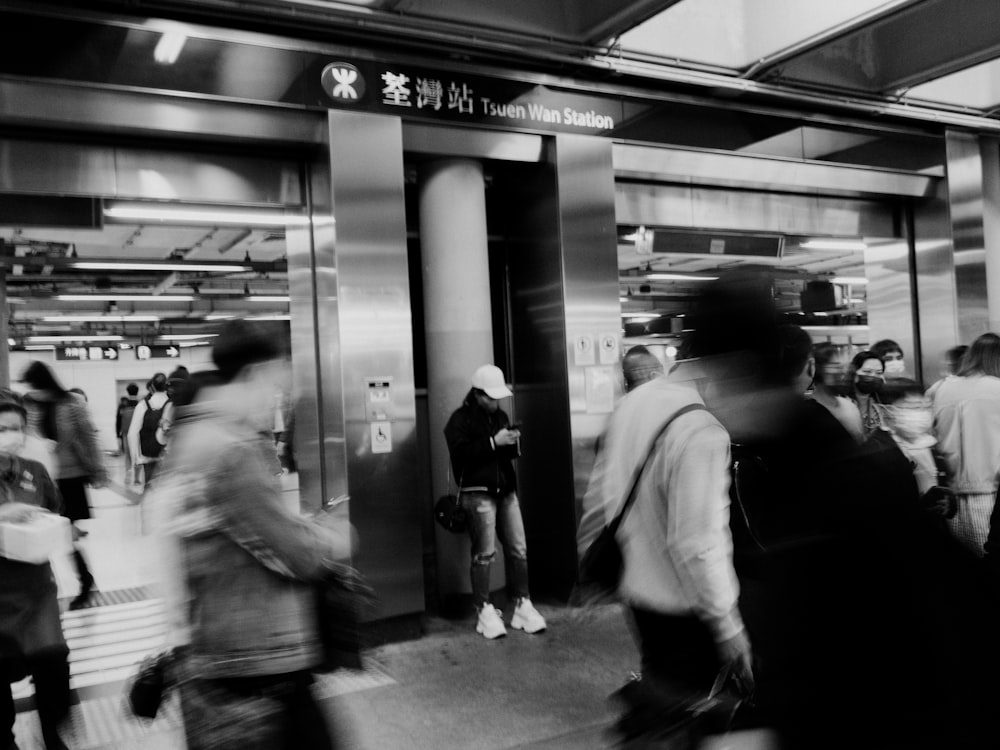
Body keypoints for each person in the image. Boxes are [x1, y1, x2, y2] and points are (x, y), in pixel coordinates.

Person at [152, 321, 353, 750]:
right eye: (274, 388)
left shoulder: (190, 444)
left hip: (219, 652)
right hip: (259, 663)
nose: (274, 403)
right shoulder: (233, 452)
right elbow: (298, 555)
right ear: (253, 374)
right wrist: (335, 537)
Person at [590, 349, 753, 744]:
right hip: (686, 607)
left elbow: (600, 495)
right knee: (691, 715)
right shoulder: (703, 429)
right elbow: (697, 543)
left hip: (637, 591)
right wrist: (728, 625)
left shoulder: (633, 403)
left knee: (661, 701)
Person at [444, 364, 546, 639]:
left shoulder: (500, 416)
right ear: (477, 394)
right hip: (477, 493)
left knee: (518, 549)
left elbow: (505, 456)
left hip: (506, 491)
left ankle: (523, 604)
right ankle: (484, 609)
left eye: (497, 396)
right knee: (484, 553)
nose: (495, 402)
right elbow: (461, 454)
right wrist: (493, 442)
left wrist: (512, 442)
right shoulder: (459, 420)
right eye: (490, 397)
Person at [0, 397, 72, 750]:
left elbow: (53, 510)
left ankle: (52, 731)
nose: (10, 436)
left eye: (15, 428)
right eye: (1, 429)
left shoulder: (34, 471)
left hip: (36, 590)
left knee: (53, 661)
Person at [20, 361, 107, 610]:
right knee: (37, 534)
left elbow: (88, 436)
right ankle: (43, 587)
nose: (33, 390)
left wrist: (97, 469)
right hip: (39, 477)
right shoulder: (27, 403)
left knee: (67, 535)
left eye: (35, 385)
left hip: (70, 477)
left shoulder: (71, 403)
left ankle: (84, 582)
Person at [932, 332, 1000, 556]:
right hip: (991, 493)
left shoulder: (941, 389)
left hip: (953, 498)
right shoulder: (997, 388)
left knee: (966, 570)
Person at [807, 342, 863, 442]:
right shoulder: (808, 412)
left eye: (845, 367)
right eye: (836, 366)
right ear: (819, 369)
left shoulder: (849, 407)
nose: (843, 373)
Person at [128, 372, 170, 487]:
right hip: (169, 456)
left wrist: (135, 459)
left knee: (150, 489)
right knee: (167, 489)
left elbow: (132, 433)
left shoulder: (143, 405)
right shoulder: (173, 404)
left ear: (152, 386)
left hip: (148, 455)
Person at [846, 349, 885, 435]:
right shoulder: (842, 403)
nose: (873, 376)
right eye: (867, 372)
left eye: (878, 373)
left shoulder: (881, 404)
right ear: (854, 373)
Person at [117, 383, 140, 483]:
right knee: (137, 454)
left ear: (127, 391)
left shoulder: (123, 405)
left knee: (127, 455)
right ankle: (136, 478)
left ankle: (128, 473)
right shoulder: (140, 404)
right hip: (138, 433)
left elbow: (118, 420)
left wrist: (118, 434)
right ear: (137, 391)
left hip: (126, 433)